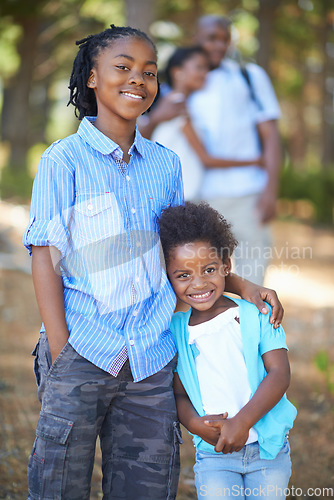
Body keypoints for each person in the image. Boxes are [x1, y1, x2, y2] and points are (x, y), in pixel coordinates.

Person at [23, 24, 284, 500]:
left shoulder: (165, 164)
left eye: (148, 72)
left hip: (151, 354)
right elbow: (45, 258)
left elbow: (181, 255)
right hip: (82, 348)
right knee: (59, 485)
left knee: (145, 487)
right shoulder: (64, 160)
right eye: (122, 68)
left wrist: (241, 285)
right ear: (92, 78)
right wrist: (61, 352)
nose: (137, 80)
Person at [158, 202, 297, 499]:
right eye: (183, 276)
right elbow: (179, 394)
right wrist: (195, 424)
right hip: (215, 456)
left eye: (209, 270)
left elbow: (280, 373)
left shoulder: (258, 314)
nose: (198, 284)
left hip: (267, 452)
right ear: (168, 279)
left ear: (226, 266)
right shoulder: (174, 331)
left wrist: (243, 422)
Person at [141, 15, 282, 285]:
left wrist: (270, 190)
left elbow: (271, 135)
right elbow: (144, 139)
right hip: (194, 199)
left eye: (225, 39)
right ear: (196, 38)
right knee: (196, 279)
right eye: (211, 38)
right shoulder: (177, 90)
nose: (219, 45)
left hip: (246, 195)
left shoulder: (248, 77)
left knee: (253, 273)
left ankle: (252, 326)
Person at [148, 46, 262, 201]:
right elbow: (206, 159)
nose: (205, 74)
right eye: (199, 68)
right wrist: (256, 161)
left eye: (207, 69)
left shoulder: (173, 103)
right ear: (178, 72)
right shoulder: (176, 106)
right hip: (176, 199)